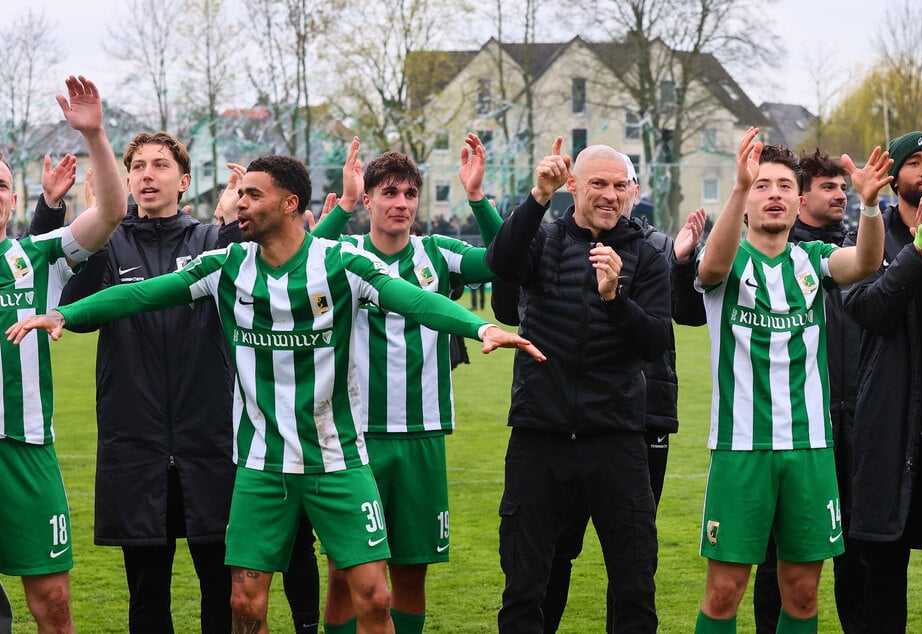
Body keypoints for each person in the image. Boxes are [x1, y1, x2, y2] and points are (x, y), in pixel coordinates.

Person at [8, 150, 543, 634]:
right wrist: (63, 312)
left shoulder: (343, 264)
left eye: (252, 194)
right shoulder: (225, 266)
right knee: (245, 603)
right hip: (261, 467)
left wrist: (479, 328)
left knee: (375, 598)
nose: (239, 202)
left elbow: (414, 300)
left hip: (338, 461)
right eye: (240, 194)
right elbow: (143, 294)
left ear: (289, 204)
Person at [28, 133, 323, 633]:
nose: (147, 174)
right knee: (146, 595)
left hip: (208, 442)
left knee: (220, 590)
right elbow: (65, 301)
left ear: (184, 181)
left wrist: (237, 212)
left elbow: (285, 246)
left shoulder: (212, 244)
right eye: (137, 166)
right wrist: (52, 209)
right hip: (134, 443)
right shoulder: (108, 243)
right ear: (125, 182)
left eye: (160, 165)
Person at [490, 152, 706, 632]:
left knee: (633, 585)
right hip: (539, 433)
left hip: (616, 437)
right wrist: (537, 197)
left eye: (619, 186)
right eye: (598, 184)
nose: (610, 195)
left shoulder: (648, 253)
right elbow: (501, 264)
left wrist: (615, 297)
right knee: (525, 585)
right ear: (573, 184)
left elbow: (653, 341)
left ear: (631, 190)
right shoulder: (542, 236)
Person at [692, 127, 889, 633]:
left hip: (811, 448)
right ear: (748, 197)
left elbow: (866, 263)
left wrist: (869, 205)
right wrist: (736, 187)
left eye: (783, 185)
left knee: (802, 595)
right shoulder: (728, 258)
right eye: (762, 185)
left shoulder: (813, 261)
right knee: (723, 592)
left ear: (797, 200)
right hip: (742, 449)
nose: (773, 194)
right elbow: (710, 267)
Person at [311, 134, 502, 634]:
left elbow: (504, 260)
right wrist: (343, 205)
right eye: (388, 193)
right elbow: (298, 254)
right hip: (355, 440)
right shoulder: (341, 252)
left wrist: (477, 198)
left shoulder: (436, 253)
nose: (400, 203)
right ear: (370, 198)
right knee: (342, 573)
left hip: (422, 434)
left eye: (408, 194)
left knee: (411, 576)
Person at [0, 74, 127, 633]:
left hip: (27, 451)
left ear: (14, 199)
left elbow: (110, 214)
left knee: (54, 605)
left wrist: (96, 136)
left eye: (2, 185)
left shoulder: (38, 256)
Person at [752, 150, 866, 633]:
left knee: (856, 549)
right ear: (801, 199)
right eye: (829, 187)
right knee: (776, 555)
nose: (841, 195)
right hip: (795, 427)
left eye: (844, 187)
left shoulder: (854, 251)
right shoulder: (781, 256)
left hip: (859, 420)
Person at [843, 130, 922, 632]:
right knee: (882, 591)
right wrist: (916, 255)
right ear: (893, 177)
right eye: (915, 162)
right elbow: (867, 309)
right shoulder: (867, 237)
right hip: (887, 440)